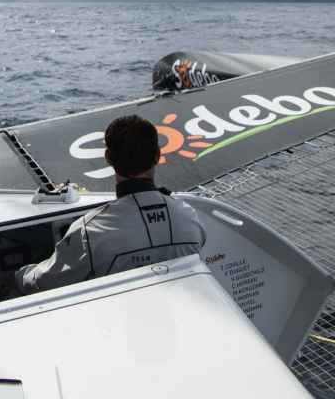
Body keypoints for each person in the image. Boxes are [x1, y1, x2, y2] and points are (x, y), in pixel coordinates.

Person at [14, 114, 206, 295]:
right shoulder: (188, 216)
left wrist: (20, 275)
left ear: (108, 158)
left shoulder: (89, 232)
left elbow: (43, 283)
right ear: (157, 156)